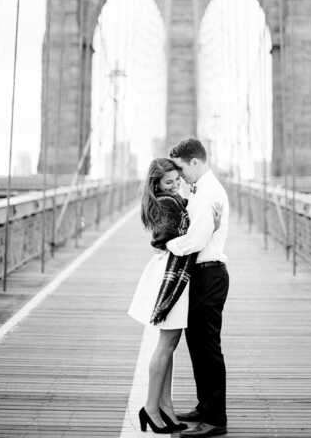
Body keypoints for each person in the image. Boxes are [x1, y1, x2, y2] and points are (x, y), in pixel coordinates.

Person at [128, 157, 221, 434]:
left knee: (169, 342)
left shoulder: (172, 200)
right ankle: (151, 407)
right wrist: (209, 231)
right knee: (166, 344)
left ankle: (165, 404)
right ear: (156, 183)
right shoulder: (168, 203)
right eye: (168, 182)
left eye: (176, 180)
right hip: (171, 274)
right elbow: (172, 242)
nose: (174, 185)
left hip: (172, 273)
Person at [167, 138, 230, 438]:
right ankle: (205, 406)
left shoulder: (209, 193)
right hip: (203, 275)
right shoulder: (200, 190)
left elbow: (195, 240)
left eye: (181, 169)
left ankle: (216, 418)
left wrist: (166, 245)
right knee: (197, 346)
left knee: (208, 349)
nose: (180, 176)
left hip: (209, 274)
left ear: (195, 161)